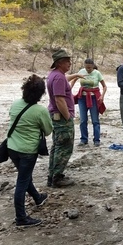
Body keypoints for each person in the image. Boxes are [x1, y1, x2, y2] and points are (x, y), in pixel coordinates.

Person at [7, 74, 53, 226]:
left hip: (12, 147)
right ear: (41, 94)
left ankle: (38, 198)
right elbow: (47, 131)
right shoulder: (40, 111)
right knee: (22, 181)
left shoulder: (15, 104)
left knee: (24, 177)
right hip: (28, 150)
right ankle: (21, 218)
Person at [47, 49, 80, 188]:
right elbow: (60, 99)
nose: (69, 63)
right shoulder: (59, 77)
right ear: (60, 63)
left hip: (56, 116)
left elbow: (64, 80)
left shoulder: (55, 75)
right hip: (61, 117)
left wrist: (75, 75)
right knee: (64, 146)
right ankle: (57, 177)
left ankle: (52, 175)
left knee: (57, 145)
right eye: (67, 61)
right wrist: (67, 117)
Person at [71, 58, 107, 147]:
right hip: (82, 98)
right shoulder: (81, 71)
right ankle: (83, 139)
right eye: (86, 67)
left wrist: (102, 96)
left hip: (94, 98)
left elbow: (104, 86)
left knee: (95, 120)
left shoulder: (97, 73)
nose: (88, 69)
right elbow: (74, 80)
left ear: (93, 66)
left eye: (90, 68)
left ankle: (97, 139)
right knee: (83, 120)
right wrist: (69, 90)